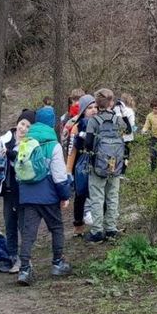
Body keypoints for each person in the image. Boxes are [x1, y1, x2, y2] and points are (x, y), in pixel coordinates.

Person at [15, 113, 72, 286]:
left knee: (28, 233)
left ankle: (24, 269)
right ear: (51, 123)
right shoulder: (53, 145)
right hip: (48, 196)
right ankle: (57, 263)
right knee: (56, 227)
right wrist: (65, 195)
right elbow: (59, 176)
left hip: (27, 195)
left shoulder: (24, 142)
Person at [0, 109, 36, 273]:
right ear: (17, 123)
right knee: (9, 223)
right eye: (22, 124)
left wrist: (10, 154)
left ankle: (25, 258)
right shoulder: (5, 138)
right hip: (8, 187)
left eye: (27, 126)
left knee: (23, 224)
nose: (23, 128)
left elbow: (22, 159)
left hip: (23, 189)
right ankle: (13, 257)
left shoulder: (31, 142)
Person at [85, 88, 128, 242]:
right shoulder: (118, 120)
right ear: (111, 102)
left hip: (98, 164)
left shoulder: (93, 121)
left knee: (97, 197)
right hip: (115, 164)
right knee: (112, 196)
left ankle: (97, 231)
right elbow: (128, 134)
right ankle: (111, 229)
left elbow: (88, 144)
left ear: (96, 103)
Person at [65, 93, 97, 237]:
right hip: (80, 166)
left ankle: (100, 222)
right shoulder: (76, 127)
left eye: (96, 107)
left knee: (97, 194)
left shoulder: (100, 123)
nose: (94, 110)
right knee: (80, 195)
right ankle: (78, 225)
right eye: (90, 107)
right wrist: (68, 171)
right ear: (83, 110)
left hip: (97, 163)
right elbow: (72, 151)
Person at [112, 94, 137, 161]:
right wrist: (135, 129)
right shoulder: (129, 111)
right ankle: (123, 169)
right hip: (127, 137)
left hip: (115, 136)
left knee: (114, 155)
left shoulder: (113, 110)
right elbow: (132, 125)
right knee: (125, 156)